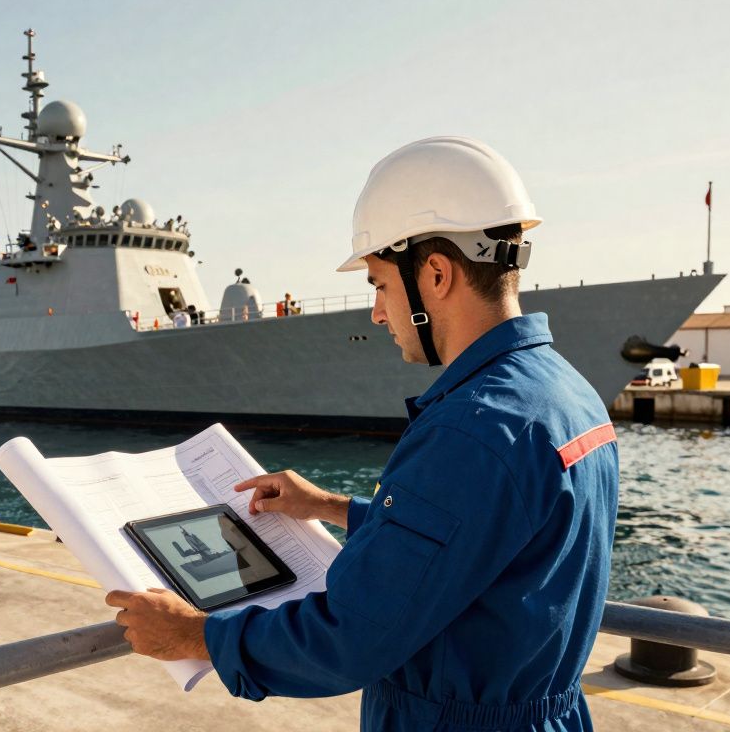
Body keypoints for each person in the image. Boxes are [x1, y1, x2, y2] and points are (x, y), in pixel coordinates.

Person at [106, 136, 619, 731]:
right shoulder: (566, 393)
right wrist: (329, 506)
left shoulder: (473, 428)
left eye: (379, 283)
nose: (377, 312)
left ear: (435, 274)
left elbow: (349, 637)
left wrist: (194, 634)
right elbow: (483, 534)